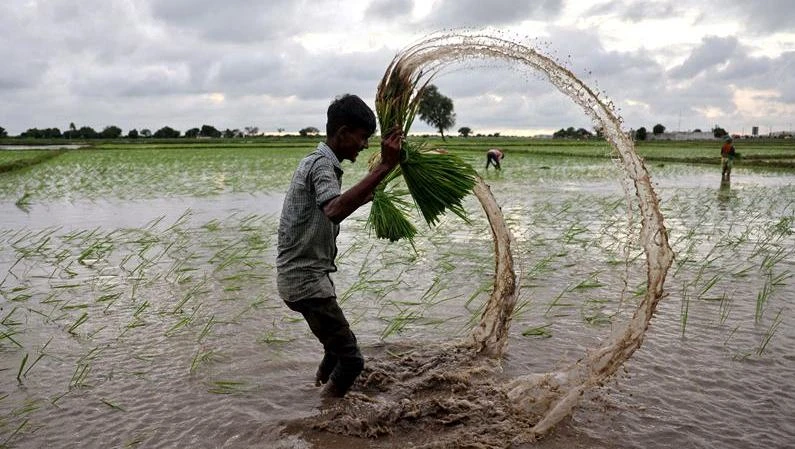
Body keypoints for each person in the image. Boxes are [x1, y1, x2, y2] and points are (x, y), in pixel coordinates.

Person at [276, 94, 403, 398]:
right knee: (352, 360)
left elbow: (330, 208)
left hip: (306, 278)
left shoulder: (318, 162)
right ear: (343, 132)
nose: (364, 145)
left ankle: (317, 387)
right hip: (305, 282)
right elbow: (334, 209)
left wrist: (370, 192)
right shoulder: (321, 165)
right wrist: (384, 166)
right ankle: (323, 415)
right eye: (362, 138)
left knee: (334, 350)